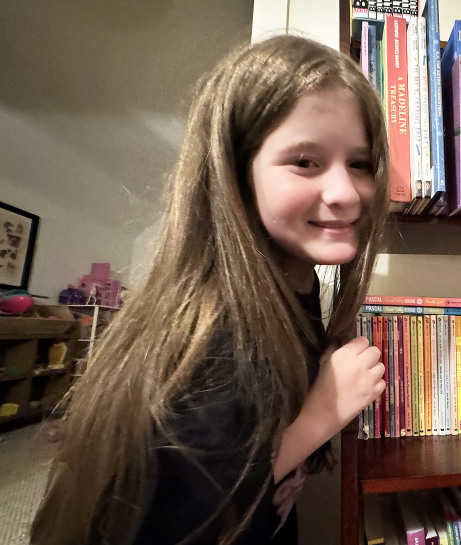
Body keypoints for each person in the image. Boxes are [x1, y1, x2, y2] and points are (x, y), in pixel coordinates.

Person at [31, 34, 389, 545]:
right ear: (237, 175)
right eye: (305, 161)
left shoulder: (294, 281)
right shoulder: (219, 336)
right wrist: (320, 415)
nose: (346, 192)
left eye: (359, 163)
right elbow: (177, 527)